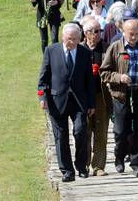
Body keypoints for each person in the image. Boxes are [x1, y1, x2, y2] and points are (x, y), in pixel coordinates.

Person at [100, 18, 138, 177]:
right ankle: (119, 157)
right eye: (131, 34)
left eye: (137, 33)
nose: (134, 37)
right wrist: (119, 77)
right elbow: (104, 72)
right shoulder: (115, 48)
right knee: (121, 131)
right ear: (123, 32)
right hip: (122, 95)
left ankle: (137, 164)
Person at [38, 23, 96, 182]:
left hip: (79, 101)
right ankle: (67, 171)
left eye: (76, 39)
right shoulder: (51, 51)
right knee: (60, 136)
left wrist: (91, 103)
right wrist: (42, 98)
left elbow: (89, 81)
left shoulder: (85, 52)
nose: (72, 42)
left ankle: (81, 166)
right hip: (57, 100)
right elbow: (43, 78)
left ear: (80, 39)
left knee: (80, 131)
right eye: (69, 39)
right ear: (63, 37)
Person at [80, 17, 109, 176]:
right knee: (84, 131)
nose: (99, 34)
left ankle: (98, 166)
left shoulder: (106, 48)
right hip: (83, 97)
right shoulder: (79, 49)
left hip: (101, 95)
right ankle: (83, 164)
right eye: (95, 31)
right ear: (86, 33)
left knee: (101, 131)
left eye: (100, 31)